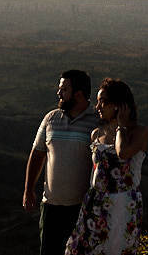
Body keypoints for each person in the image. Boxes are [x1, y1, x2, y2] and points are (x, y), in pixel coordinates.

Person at [65, 78, 148, 255]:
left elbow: (123, 152)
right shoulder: (96, 134)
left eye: (103, 102)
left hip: (122, 206)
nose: (97, 107)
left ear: (118, 105)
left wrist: (121, 126)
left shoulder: (139, 133)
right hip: (96, 203)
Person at [24, 69, 101, 255]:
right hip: (51, 206)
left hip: (82, 208)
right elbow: (37, 154)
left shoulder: (97, 122)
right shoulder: (51, 119)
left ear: (79, 94)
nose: (59, 93)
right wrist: (28, 189)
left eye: (64, 89)